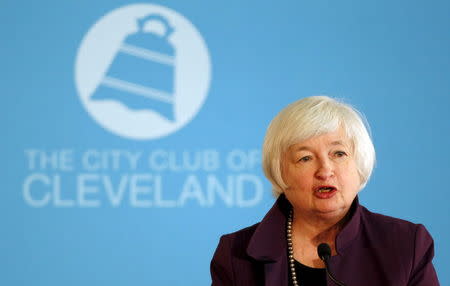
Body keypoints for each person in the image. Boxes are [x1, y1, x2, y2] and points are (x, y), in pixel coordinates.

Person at [210, 96, 440, 286]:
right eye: (305, 158)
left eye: (338, 154)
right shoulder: (236, 254)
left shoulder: (406, 244)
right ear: (280, 172)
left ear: (359, 163)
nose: (325, 170)